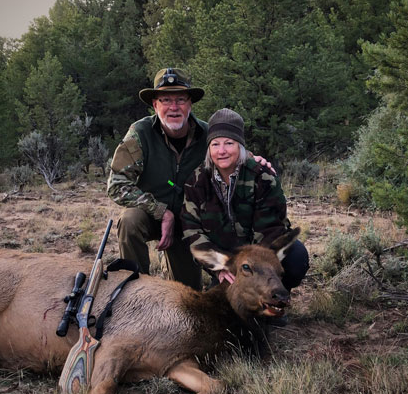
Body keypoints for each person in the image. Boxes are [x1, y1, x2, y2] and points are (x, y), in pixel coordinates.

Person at [181, 108, 309, 296]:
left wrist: (248, 269)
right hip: (224, 260)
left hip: (259, 259)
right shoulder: (196, 181)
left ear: (240, 146)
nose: (222, 151)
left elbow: (272, 230)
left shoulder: (262, 177)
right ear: (208, 149)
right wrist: (219, 267)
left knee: (296, 257)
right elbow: (191, 230)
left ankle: (278, 294)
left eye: (229, 143)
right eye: (215, 144)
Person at [107, 68, 208, 290]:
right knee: (129, 222)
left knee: (187, 295)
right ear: (155, 105)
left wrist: (253, 160)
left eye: (181, 99)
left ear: (190, 104)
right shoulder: (140, 133)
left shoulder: (207, 135)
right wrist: (162, 212)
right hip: (150, 214)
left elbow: (233, 158)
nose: (174, 107)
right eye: (166, 100)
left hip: (189, 222)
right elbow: (117, 184)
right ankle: (135, 291)